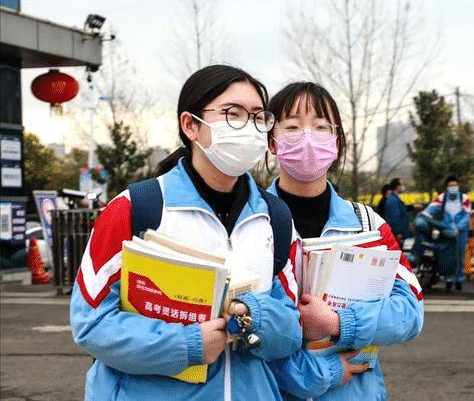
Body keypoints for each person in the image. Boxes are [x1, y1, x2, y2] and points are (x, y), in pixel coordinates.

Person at [69, 65, 302, 401]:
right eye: (232, 114)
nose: (248, 128)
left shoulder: (275, 217)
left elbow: (292, 330)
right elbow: (91, 323)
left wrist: (255, 319)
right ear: (191, 125)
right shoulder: (135, 207)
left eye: (257, 117)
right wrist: (188, 345)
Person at [264, 82, 424, 401]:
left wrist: (338, 322)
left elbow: (410, 312)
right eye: (293, 127)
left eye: (321, 128)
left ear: (335, 141)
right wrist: (317, 374)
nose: (308, 138)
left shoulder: (368, 225)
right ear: (272, 142)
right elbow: (244, 331)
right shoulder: (249, 225)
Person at [424, 175, 471, 291]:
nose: (453, 188)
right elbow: (429, 210)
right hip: (446, 232)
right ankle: (448, 279)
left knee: (460, 256)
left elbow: (466, 215)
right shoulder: (442, 198)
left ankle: (459, 279)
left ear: (458, 185)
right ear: (446, 187)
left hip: (461, 233)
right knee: (447, 256)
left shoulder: (464, 199)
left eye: (455, 185)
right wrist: (425, 216)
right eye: (450, 186)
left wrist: (459, 228)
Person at [384, 178, 411, 246]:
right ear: (397, 186)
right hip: (399, 233)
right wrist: (398, 232)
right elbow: (395, 217)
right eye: (401, 185)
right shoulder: (393, 200)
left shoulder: (395, 198)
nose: (402, 187)